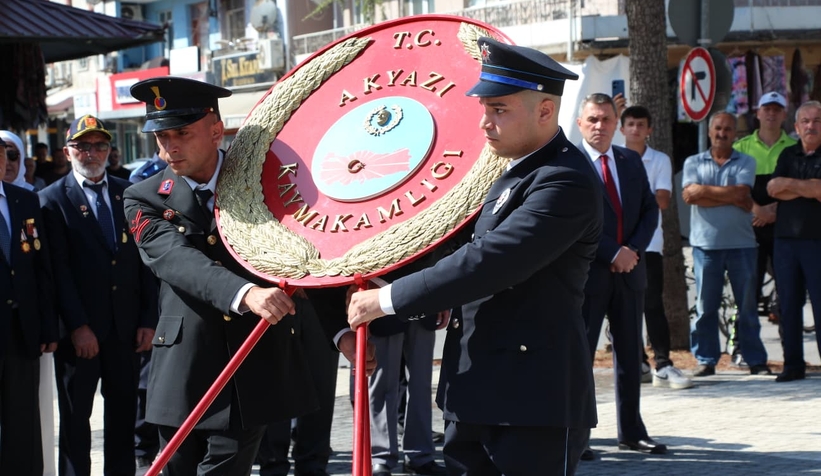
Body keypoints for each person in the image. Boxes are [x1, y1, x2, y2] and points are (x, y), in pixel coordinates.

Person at [348, 37, 600, 476]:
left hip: (531, 403)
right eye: (485, 109)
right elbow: (461, 251)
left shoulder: (565, 179)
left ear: (545, 110)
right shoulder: (513, 173)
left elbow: (494, 260)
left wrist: (387, 300)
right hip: (472, 393)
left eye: (499, 109)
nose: (485, 123)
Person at [123, 76, 367, 475]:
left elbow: (302, 258)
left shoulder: (265, 184)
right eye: (162, 136)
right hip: (184, 367)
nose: (170, 146)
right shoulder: (143, 196)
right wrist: (246, 292)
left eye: (182, 132)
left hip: (251, 365)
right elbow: (174, 259)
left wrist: (340, 333)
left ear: (216, 130)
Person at [39, 114, 159, 476]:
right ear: (68, 151)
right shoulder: (52, 200)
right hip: (81, 335)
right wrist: (77, 326)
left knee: (123, 417)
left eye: (100, 146)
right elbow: (56, 273)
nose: (92, 153)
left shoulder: (131, 193)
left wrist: (147, 320)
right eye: (83, 146)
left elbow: (146, 259)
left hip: (126, 331)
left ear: (110, 150)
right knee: (76, 421)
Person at [576, 93, 664, 458]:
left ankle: (632, 431)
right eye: (593, 119)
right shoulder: (570, 163)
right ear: (580, 123)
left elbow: (649, 209)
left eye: (606, 120)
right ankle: (578, 436)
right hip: (587, 276)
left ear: (616, 123)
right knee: (579, 358)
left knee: (630, 356)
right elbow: (573, 223)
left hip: (630, 273)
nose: (600, 126)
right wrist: (612, 252)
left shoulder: (629, 160)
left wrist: (633, 252)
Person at [682, 112, 771, 377]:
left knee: (746, 307)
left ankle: (755, 359)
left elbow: (742, 193)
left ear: (735, 134)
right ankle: (706, 360)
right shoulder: (693, 161)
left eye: (728, 129)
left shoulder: (746, 160)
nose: (722, 133)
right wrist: (729, 196)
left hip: (742, 244)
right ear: (710, 132)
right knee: (705, 307)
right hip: (705, 246)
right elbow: (689, 196)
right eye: (718, 128)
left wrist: (704, 191)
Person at [619, 106, 693, 390]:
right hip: (618, 245)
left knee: (652, 304)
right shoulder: (612, 158)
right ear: (622, 128)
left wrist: (626, 200)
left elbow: (662, 200)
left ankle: (663, 364)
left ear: (649, 130)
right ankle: (637, 361)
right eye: (630, 124)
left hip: (649, 244)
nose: (635, 129)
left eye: (641, 125)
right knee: (624, 306)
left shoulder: (659, 160)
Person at [0, 136, 58, 475]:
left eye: (5, 155)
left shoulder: (24, 200)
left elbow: (41, 268)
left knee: (24, 421)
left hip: (23, 331)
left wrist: (48, 325)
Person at [255, 291, 342, 476]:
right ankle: (272, 465)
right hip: (275, 292)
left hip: (321, 296)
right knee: (274, 384)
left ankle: (313, 464)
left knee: (321, 383)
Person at [767, 100, 821, 382]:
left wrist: (794, 186)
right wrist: (808, 188)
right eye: (805, 122)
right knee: (788, 305)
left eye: (816, 120)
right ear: (797, 127)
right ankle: (793, 365)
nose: (811, 126)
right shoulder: (788, 154)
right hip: (786, 242)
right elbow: (774, 189)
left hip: (817, 241)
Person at [733, 91, 797, 325]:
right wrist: (758, 210)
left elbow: (799, 189)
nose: (771, 113)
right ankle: (742, 347)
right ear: (757, 113)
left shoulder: (794, 147)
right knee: (748, 290)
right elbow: (734, 189)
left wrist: (776, 211)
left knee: (788, 290)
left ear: (784, 114)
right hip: (750, 230)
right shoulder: (741, 147)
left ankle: (789, 349)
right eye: (766, 109)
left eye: (776, 109)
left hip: (786, 229)